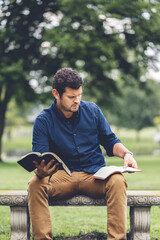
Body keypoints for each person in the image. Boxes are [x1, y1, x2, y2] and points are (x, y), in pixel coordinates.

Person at [28, 68, 138, 240]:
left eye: (79, 95)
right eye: (71, 97)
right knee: (35, 183)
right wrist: (40, 172)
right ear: (56, 94)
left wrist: (126, 154)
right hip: (61, 176)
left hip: (95, 175)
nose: (77, 100)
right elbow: (40, 156)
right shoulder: (43, 120)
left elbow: (110, 141)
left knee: (117, 180)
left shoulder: (93, 111)